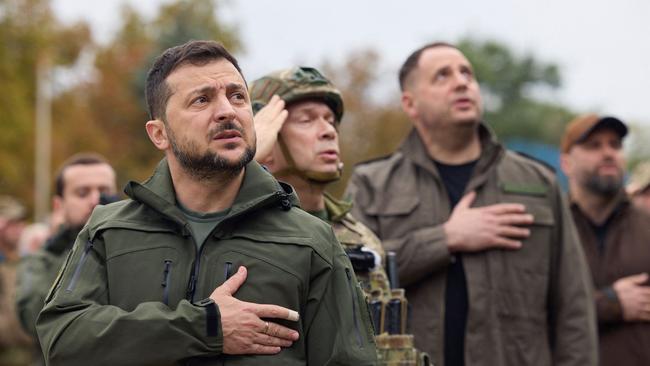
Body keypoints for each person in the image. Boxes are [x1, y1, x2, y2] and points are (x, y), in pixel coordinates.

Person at [36, 40, 377, 366]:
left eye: (237, 96)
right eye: (202, 100)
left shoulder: (311, 240)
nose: (227, 111)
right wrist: (204, 326)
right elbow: (62, 340)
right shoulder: (109, 230)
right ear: (159, 134)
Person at [345, 42, 597, 365]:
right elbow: (350, 285)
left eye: (467, 73)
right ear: (410, 103)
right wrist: (446, 239)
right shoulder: (373, 184)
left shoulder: (538, 182)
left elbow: (573, 306)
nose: (462, 82)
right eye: (442, 76)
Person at [250, 66, 429, 365]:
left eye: (331, 121)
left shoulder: (360, 238)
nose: (328, 130)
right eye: (306, 120)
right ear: (265, 142)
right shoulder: (244, 231)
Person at [560, 114, 650, 366]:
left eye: (615, 144)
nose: (608, 153)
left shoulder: (647, 225)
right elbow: (530, 310)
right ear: (566, 163)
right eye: (594, 145)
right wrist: (610, 304)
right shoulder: (548, 227)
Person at [16, 153, 117, 339]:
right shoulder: (40, 261)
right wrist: (67, 249)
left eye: (105, 191)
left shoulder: (135, 248)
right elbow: (35, 320)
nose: (96, 200)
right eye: (82, 193)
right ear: (59, 205)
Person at [0, 196, 33, 365]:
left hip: (28, 356)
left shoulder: (27, 263)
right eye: (12, 223)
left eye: (21, 222)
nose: (19, 228)